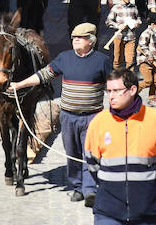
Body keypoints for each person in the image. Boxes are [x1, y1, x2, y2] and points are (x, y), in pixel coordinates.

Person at [11, 23, 112, 207]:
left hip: (93, 117)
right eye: (73, 38)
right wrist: (19, 85)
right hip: (68, 116)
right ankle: (77, 186)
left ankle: (90, 190)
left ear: (90, 41)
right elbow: (43, 75)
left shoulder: (101, 61)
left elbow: (112, 86)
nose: (75, 41)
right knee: (72, 152)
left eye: (79, 38)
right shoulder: (64, 58)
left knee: (90, 152)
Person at [84, 68, 156, 225]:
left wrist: (153, 193)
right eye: (108, 91)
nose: (111, 96)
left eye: (117, 90)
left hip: (149, 211)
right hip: (108, 210)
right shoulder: (98, 123)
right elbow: (92, 164)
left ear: (132, 90)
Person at [106, 0, 141, 71]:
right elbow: (108, 21)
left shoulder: (133, 8)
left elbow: (139, 18)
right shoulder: (116, 8)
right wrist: (118, 26)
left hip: (131, 37)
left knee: (130, 60)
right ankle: (117, 76)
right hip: (119, 37)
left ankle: (129, 78)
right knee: (117, 59)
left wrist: (137, 23)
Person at [137, 19, 156, 107]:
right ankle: (131, 93)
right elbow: (142, 45)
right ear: (154, 24)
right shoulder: (147, 33)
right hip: (145, 60)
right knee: (148, 81)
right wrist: (149, 55)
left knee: (155, 81)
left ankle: (152, 98)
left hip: (154, 61)